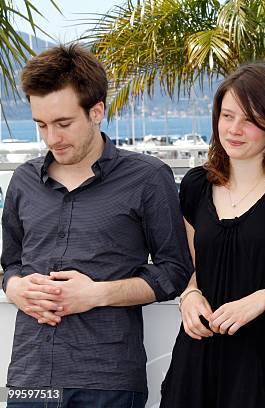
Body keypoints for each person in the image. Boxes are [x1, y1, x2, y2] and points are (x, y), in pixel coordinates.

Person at [1, 44, 192, 407]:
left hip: (108, 378)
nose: (51, 138)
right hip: (30, 374)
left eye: (63, 123)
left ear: (97, 111)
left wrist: (96, 294)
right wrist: (16, 288)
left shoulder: (147, 178)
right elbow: (9, 263)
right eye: (41, 125)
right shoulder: (23, 181)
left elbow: (175, 271)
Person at [159, 63, 265, 408]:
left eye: (249, 119)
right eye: (227, 115)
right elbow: (186, 264)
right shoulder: (195, 184)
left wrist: (261, 299)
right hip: (197, 357)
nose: (234, 129)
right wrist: (189, 297)